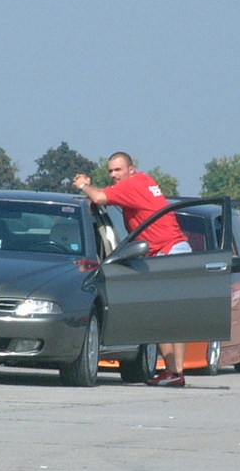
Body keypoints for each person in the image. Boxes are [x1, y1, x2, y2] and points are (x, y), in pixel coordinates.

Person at [73, 151, 191, 387]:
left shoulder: (133, 184)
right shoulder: (142, 182)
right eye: (111, 171)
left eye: (118, 169)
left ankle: (174, 372)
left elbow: (100, 197)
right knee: (170, 316)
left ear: (131, 169)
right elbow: (104, 196)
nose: (114, 174)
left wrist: (84, 185)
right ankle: (175, 372)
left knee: (161, 315)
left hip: (167, 251)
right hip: (172, 250)